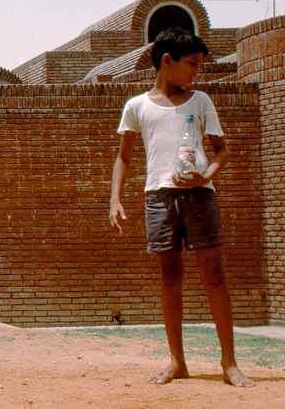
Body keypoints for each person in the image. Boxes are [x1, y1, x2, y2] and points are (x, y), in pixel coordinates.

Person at [109, 27, 254, 387]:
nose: (196, 72)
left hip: (199, 196)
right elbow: (123, 157)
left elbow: (221, 149)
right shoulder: (136, 106)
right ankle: (177, 361)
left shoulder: (201, 100)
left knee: (214, 275)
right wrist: (115, 198)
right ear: (167, 61)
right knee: (170, 277)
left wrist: (206, 177)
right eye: (192, 64)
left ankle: (229, 363)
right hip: (158, 197)